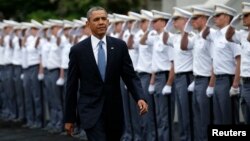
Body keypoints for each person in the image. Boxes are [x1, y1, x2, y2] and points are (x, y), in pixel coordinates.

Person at [64, 6, 148, 141]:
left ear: (108, 22)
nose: (101, 22)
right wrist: (69, 118)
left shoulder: (119, 46)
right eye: (96, 19)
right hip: (90, 111)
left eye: (104, 19)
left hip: (114, 111)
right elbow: (72, 87)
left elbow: (130, 76)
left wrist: (140, 97)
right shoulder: (78, 50)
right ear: (88, 24)